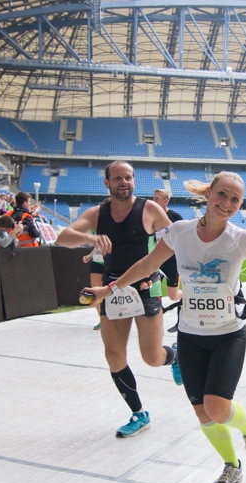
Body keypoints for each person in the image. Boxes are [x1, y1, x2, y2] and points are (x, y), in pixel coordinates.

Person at [84, 171, 246, 483]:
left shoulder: (239, 237)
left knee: (218, 407)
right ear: (209, 193)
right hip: (191, 335)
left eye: (235, 199)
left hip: (228, 334)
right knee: (201, 412)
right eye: (222, 195)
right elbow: (146, 265)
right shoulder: (179, 232)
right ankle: (231, 466)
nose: (227, 203)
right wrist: (108, 289)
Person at [55, 161, 180, 438]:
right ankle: (138, 413)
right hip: (111, 290)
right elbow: (63, 237)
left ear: (134, 181)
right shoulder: (98, 214)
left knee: (151, 357)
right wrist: (91, 238)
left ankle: (174, 356)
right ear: (107, 183)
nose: (124, 182)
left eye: (129, 177)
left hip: (145, 286)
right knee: (114, 356)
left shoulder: (149, 209)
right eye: (118, 178)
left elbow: (175, 241)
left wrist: (161, 274)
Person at [152, 189, 183, 302]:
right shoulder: (149, 218)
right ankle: (157, 314)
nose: (153, 200)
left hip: (172, 261)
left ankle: (189, 296)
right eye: (153, 198)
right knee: (153, 294)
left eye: (156, 198)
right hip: (155, 261)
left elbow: (183, 239)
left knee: (173, 296)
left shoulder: (175, 217)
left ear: (165, 201)